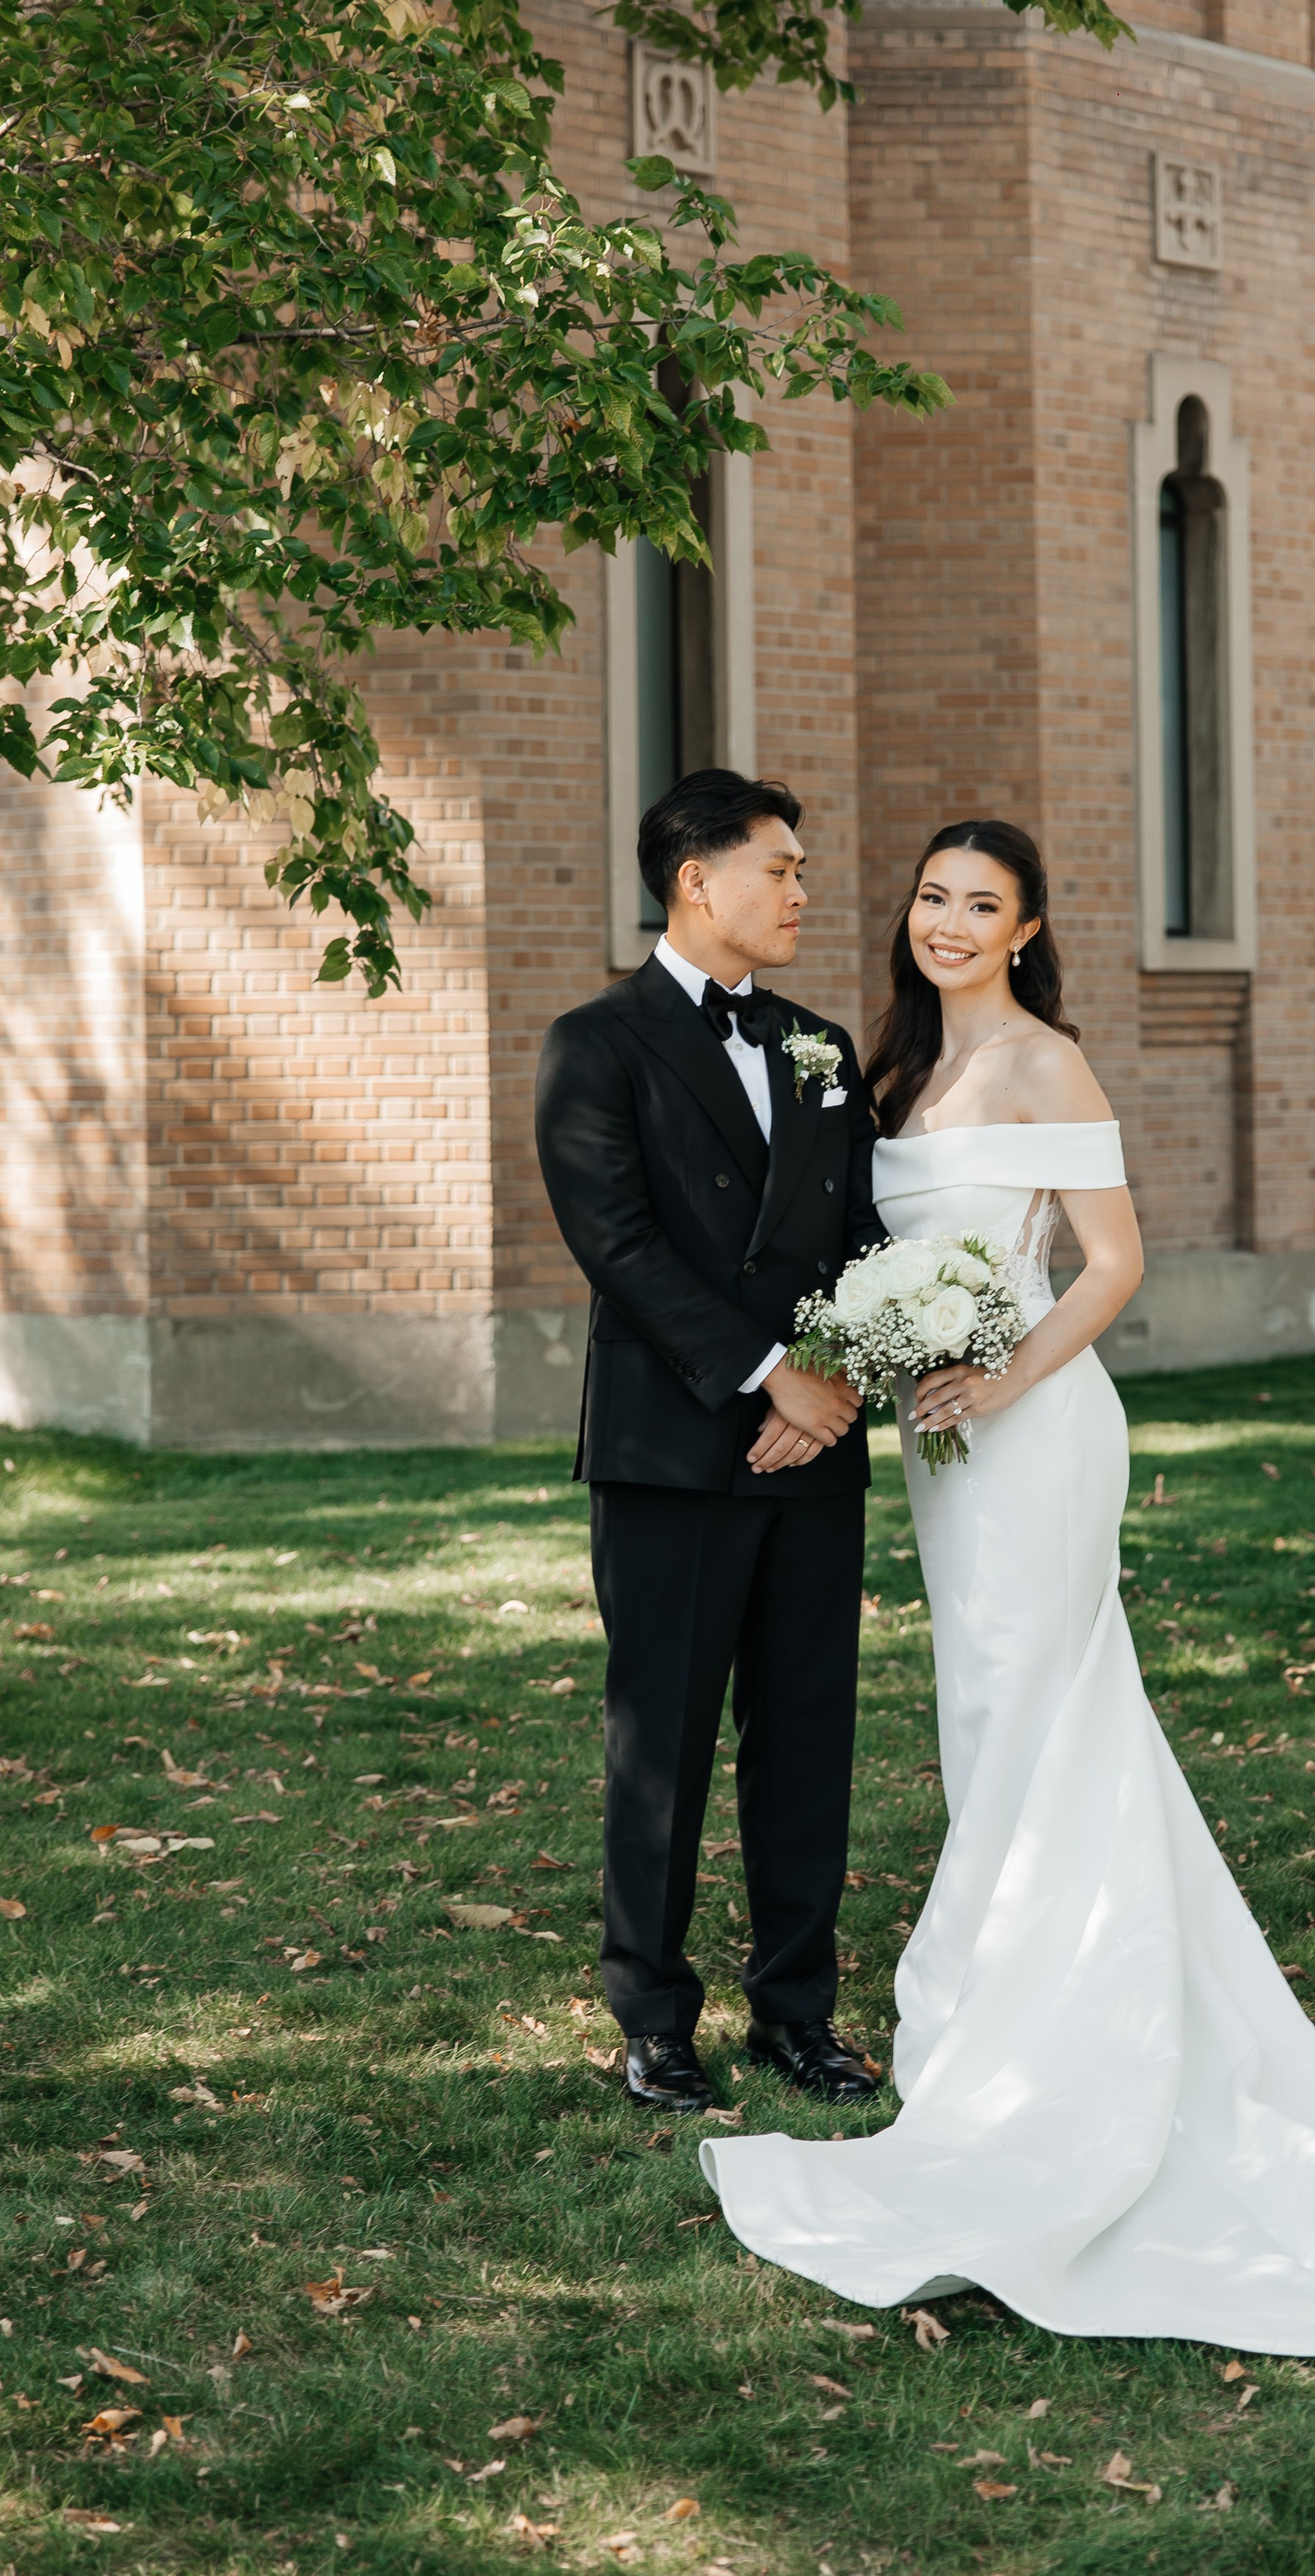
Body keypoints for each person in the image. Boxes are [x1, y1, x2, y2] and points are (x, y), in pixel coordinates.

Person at [701, 818, 1315, 2349]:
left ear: (1027, 930)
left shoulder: (1044, 1064)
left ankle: (1044, 2054)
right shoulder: (890, 1076)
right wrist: (889, 1359)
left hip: (1030, 1439)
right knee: (990, 1722)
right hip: (942, 1455)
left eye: (981, 905)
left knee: (1044, 1710)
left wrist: (1001, 1382)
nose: (947, 923)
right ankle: (999, 2021)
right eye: (929, 898)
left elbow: (1110, 1263)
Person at [534, 770, 888, 2115]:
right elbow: (617, 1247)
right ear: (697, 877)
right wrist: (765, 1383)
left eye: (801, 871)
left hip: (819, 1458)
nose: (803, 892)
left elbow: (859, 1241)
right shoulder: (595, 1045)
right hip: (672, 1452)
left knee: (806, 1739)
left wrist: (834, 1380)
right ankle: (653, 2018)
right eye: (781, 868)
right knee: (663, 1743)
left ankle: (797, 2013)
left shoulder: (821, 1046)